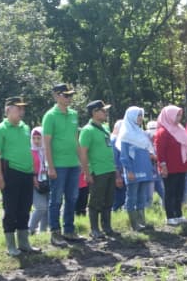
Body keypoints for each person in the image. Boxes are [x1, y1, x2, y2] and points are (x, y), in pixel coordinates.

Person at [0, 96, 40, 256]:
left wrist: (33, 174)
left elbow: (28, 152)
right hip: (10, 173)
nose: (22, 111)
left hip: (26, 174)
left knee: (24, 209)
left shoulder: (25, 128)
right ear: (8, 110)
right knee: (11, 209)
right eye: (18, 108)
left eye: (23, 108)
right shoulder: (0, 130)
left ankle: (24, 243)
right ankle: (11, 246)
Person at [40, 83, 83, 245]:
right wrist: (50, 166)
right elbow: (47, 143)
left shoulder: (73, 114)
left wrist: (81, 162)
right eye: (66, 95)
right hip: (58, 164)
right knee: (56, 199)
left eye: (70, 95)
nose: (69, 98)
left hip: (73, 163)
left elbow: (76, 140)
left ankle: (69, 230)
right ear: (56, 96)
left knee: (72, 197)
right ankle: (55, 233)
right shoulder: (50, 116)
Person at [77, 100, 119, 239]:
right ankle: (94, 229)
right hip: (97, 171)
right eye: (103, 110)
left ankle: (107, 227)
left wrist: (115, 170)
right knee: (96, 201)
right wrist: (87, 172)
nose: (105, 112)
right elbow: (83, 152)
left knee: (108, 200)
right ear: (94, 112)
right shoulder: (87, 130)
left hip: (109, 169)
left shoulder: (105, 128)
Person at [116, 106, 158, 230]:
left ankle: (142, 222)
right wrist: (128, 171)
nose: (140, 118)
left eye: (141, 115)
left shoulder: (140, 132)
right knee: (132, 196)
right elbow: (124, 156)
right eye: (138, 115)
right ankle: (134, 224)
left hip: (144, 168)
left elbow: (147, 149)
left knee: (142, 196)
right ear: (131, 116)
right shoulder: (126, 134)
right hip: (133, 170)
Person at [155, 105, 187, 226]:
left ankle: (179, 214)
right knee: (170, 192)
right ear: (169, 116)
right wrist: (163, 166)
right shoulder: (163, 132)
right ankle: (170, 216)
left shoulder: (180, 129)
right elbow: (160, 152)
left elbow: (186, 146)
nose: (179, 118)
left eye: (180, 115)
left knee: (179, 192)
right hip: (169, 168)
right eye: (177, 115)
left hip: (181, 166)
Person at [29, 127, 50, 235]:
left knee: (47, 208)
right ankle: (30, 229)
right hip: (34, 182)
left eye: (39, 138)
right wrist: (33, 179)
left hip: (47, 180)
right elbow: (29, 166)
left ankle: (43, 231)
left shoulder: (47, 151)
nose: (36, 141)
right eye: (34, 138)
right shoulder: (29, 151)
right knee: (41, 207)